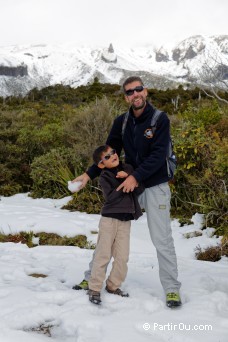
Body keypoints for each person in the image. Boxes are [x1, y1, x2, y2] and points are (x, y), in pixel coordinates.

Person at [72, 76, 182, 308]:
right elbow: (108, 153)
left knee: (161, 240)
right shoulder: (121, 122)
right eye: (130, 92)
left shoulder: (159, 120)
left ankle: (172, 289)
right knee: (108, 234)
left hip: (153, 185)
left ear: (146, 91)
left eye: (138, 89)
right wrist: (88, 174)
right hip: (127, 183)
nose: (135, 95)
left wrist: (135, 176)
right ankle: (90, 278)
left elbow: (159, 154)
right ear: (126, 97)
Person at [86, 144, 143, 305]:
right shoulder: (105, 176)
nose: (112, 156)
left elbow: (138, 189)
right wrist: (125, 181)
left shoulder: (128, 168)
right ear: (101, 164)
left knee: (122, 257)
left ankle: (113, 286)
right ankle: (95, 288)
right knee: (103, 254)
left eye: (113, 152)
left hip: (125, 221)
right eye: (107, 156)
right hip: (109, 220)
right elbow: (111, 197)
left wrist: (130, 178)